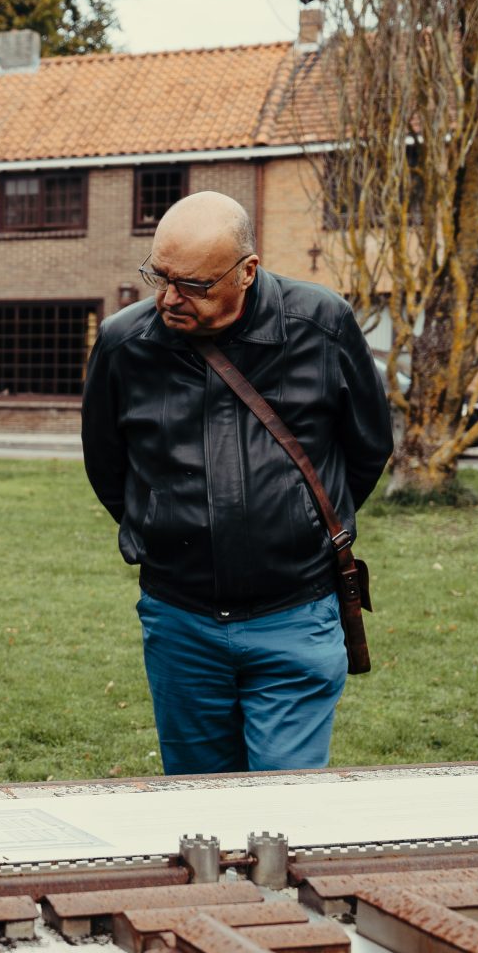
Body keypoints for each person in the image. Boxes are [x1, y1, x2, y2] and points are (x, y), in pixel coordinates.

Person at [81, 191, 394, 774]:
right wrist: (159, 523)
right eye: (160, 275)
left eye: (193, 285)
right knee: (199, 803)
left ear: (247, 271)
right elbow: (107, 465)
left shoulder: (321, 326)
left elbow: (368, 447)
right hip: (180, 621)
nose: (169, 298)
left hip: (296, 614)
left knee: (284, 805)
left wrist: (299, 524)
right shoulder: (126, 343)